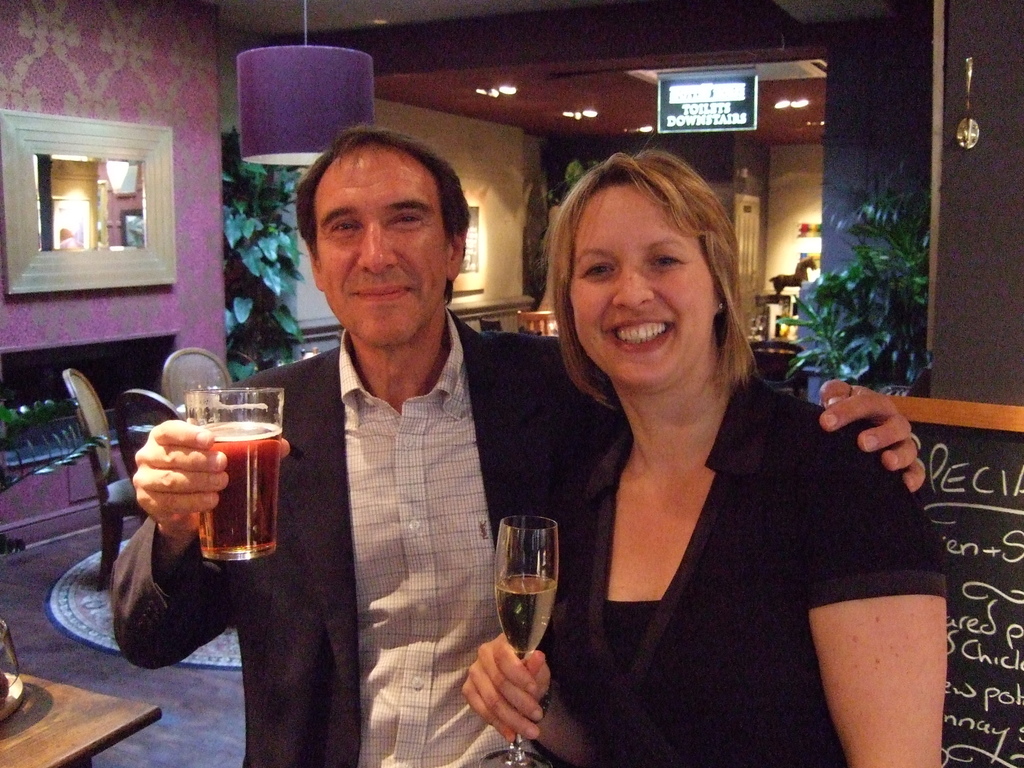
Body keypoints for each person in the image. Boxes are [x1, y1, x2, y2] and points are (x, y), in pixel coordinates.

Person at [112, 127, 925, 768]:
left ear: (453, 250)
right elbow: (148, 639)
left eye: (406, 219)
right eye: (344, 228)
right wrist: (174, 529)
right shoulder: (263, 428)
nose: (376, 253)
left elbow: (692, 405)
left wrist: (858, 430)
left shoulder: (558, 393)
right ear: (318, 265)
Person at [462, 151, 947, 768]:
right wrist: (533, 704)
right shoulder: (581, 483)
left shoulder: (839, 472)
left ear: (718, 284)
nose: (631, 293)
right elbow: (612, 743)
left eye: (663, 260)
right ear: (570, 304)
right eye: (599, 269)